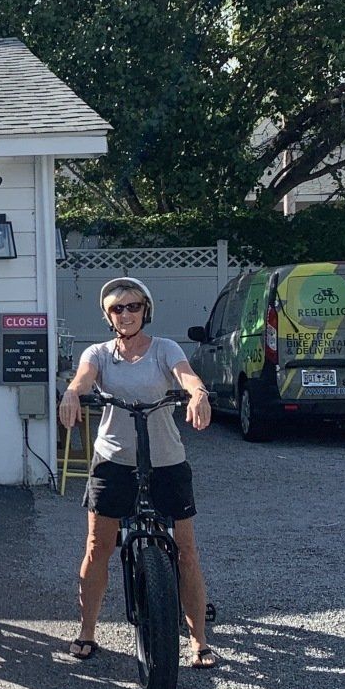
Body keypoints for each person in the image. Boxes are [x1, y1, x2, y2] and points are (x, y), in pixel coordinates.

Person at [57, 277, 218, 668]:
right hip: (114, 459)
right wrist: (72, 393)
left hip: (165, 460)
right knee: (98, 546)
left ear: (146, 310)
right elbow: (83, 377)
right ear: (108, 316)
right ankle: (87, 631)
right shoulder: (99, 353)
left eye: (133, 306)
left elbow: (186, 375)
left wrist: (198, 393)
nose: (126, 314)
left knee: (186, 549)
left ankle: (198, 640)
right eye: (117, 308)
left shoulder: (165, 349)